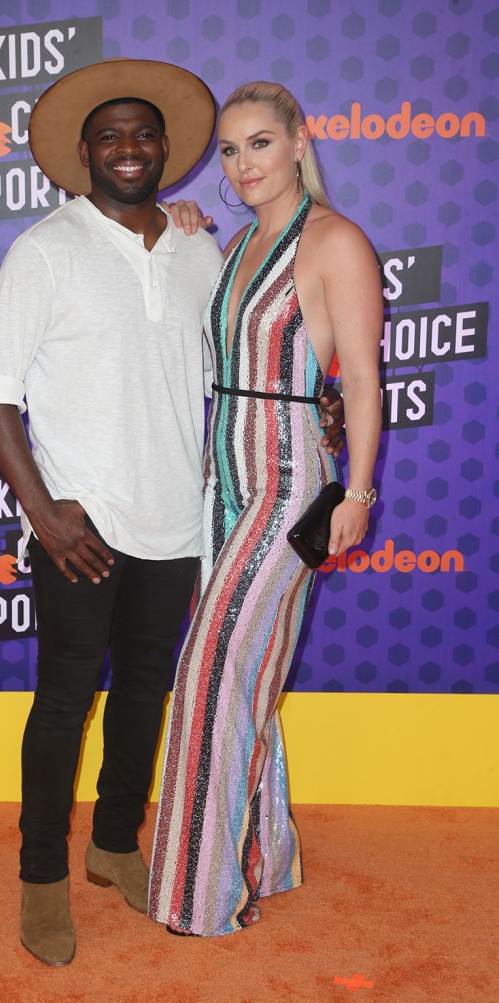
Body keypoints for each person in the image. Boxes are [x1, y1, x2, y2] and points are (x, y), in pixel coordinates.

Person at [0, 61, 344, 967]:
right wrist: (44, 511)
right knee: (63, 702)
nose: (127, 148)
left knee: (144, 692)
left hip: (180, 516)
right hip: (83, 525)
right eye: (110, 136)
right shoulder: (46, 248)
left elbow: (245, 362)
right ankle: (42, 878)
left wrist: (315, 403)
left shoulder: (201, 249)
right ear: (85, 152)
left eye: (142, 134)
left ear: (166, 149)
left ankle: (114, 844)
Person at [149, 81, 383, 938]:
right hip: (222, 479)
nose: (243, 163)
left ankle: (201, 895)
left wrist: (358, 490)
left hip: (289, 481)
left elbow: (363, 380)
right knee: (244, 669)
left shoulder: (336, 241)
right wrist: (180, 223)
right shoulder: (236, 242)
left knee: (211, 671)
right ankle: (267, 857)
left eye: (259, 143)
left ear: (298, 143)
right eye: (230, 149)